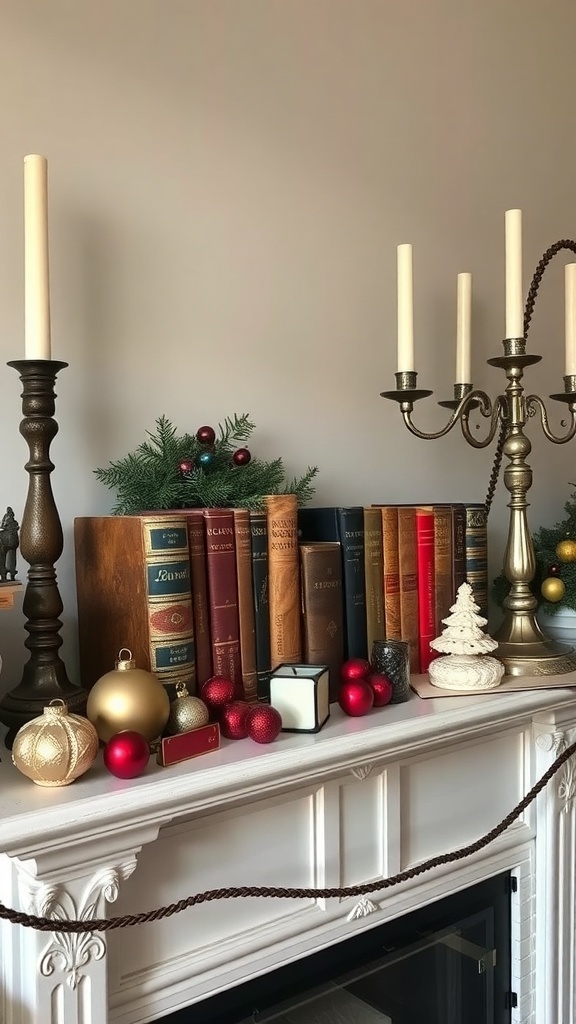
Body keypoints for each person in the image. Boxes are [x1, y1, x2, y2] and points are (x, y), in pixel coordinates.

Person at [0, 507, 19, 581]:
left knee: (6, 558)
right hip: (11, 543)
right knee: (10, 559)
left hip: (7, 543)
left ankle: (5, 575)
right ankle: (9, 574)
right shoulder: (13, 523)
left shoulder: (7, 520)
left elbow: (2, 526)